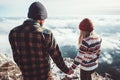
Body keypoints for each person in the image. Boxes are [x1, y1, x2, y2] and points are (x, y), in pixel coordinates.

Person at [9, 2, 73, 80]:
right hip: (44, 76)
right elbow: (56, 57)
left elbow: (16, 56)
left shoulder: (13, 32)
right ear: (41, 19)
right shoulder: (46, 34)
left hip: (27, 76)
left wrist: (25, 69)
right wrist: (67, 70)